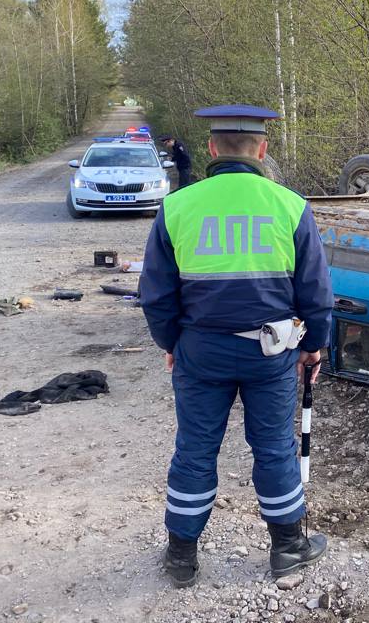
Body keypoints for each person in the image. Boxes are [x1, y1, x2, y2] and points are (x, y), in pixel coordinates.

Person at [140, 104, 334, 588]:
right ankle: (288, 547)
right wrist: (314, 347)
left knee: (195, 449)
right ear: (262, 150)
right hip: (271, 353)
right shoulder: (291, 207)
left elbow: (157, 294)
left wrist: (171, 343)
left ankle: (182, 556)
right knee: (273, 448)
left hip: (201, 352)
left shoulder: (177, 207)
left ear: (210, 149)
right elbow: (315, 293)